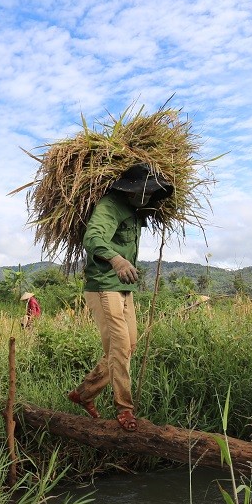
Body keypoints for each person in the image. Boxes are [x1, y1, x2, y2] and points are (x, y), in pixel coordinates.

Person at [67, 164, 174, 431]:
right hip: (104, 285)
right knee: (119, 348)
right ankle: (124, 409)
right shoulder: (110, 206)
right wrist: (116, 260)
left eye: (151, 193)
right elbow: (92, 237)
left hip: (124, 287)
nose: (147, 196)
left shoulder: (134, 212)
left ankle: (83, 393)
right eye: (144, 192)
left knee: (128, 346)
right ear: (130, 189)